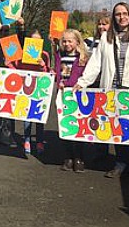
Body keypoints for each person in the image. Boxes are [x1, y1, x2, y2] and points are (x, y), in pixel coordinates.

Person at [74, 2, 129, 179]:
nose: (121, 17)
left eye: (124, 13)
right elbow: (96, 64)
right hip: (113, 90)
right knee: (119, 130)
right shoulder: (107, 38)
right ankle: (121, 163)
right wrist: (82, 82)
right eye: (117, 14)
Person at [6, 29, 51, 155]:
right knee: (27, 117)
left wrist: (43, 66)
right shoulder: (20, 56)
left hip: (40, 90)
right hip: (25, 90)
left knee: (39, 118)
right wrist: (8, 64)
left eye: (38, 40)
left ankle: (39, 141)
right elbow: (16, 70)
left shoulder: (45, 55)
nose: (35, 43)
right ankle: (27, 140)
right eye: (32, 40)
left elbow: (48, 74)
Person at [52, 29, 89, 172]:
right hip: (62, 95)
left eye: (70, 41)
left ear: (77, 42)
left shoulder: (82, 58)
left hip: (77, 95)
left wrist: (66, 84)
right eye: (64, 41)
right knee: (64, 125)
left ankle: (79, 158)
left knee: (77, 126)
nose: (67, 44)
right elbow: (57, 72)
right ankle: (68, 157)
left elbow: (77, 76)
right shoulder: (59, 55)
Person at [0, 18, 25, 148]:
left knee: (9, 106)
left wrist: (21, 26)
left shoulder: (13, 42)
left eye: (6, 30)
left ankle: (9, 134)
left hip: (11, 78)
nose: (4, 32)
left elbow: (23, 39)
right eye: (2, 30)